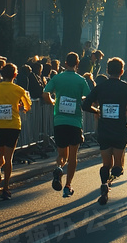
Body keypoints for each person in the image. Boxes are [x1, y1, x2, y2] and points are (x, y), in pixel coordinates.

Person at [82, 57, 127, 205]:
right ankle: (111, 179)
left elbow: (85, 104)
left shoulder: (100, 87)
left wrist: (97, 110)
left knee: (105, 163)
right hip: (120, 129)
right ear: (122, 71)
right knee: (118, 165)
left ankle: (104, 184)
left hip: (104, 129)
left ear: (107, 71)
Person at [0, 63, 32, 200]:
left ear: (2, 75)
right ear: (15, 75)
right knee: (9, 157)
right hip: (13, 125)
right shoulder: (19, 90)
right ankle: (6, 188)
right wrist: (22, 108)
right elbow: (28, 105)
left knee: (1, 151)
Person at [42, 53, 91, 197]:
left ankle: (58, 168)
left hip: (59, 121)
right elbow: (88, 96)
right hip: (75, 121)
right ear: (77, 64)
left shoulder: (57, 78)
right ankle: (68, 185)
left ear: (65, 63)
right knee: (73, 156)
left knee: (62, 154)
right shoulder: (81, 80)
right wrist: (78, 98)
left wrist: (53, 102)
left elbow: (45, 94)